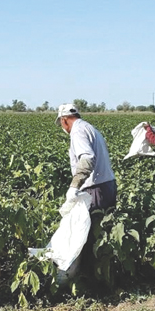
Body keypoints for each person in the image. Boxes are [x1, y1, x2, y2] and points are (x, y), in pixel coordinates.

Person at [56, 104, 117, 277]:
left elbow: (87, 159)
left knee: (89, 238)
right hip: (107, 185)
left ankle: (90, 282)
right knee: (102, 234)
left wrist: (74, 185)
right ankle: (105, 277)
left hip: (95, 188)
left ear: (64, 120)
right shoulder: (90, 128)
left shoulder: (78, 131)